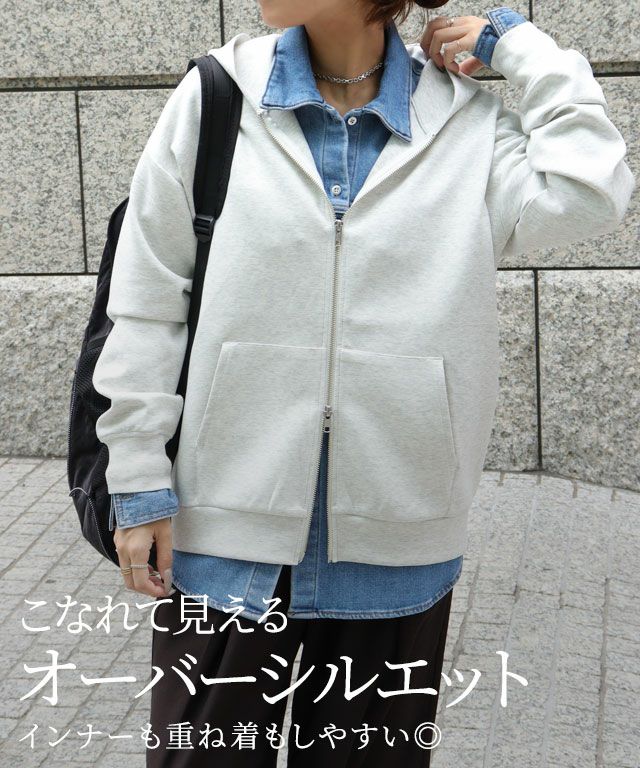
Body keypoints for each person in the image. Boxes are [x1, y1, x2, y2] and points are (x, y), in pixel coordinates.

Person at [92, 0, 635, 765]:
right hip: (223, 536)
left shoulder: (465, 126)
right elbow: (148, 302)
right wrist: (138, 479)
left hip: (397, 540)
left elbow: (591, 190)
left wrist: (520, 48)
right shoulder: (217, 97)